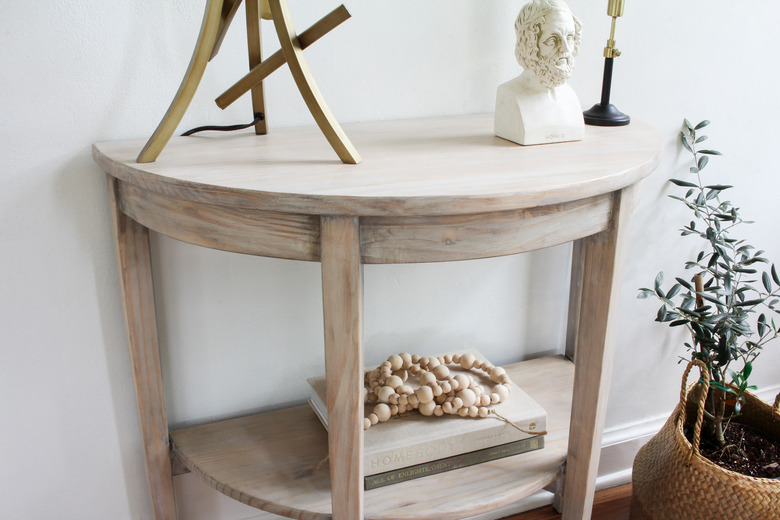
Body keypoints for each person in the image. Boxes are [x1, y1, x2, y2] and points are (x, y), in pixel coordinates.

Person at [494, 0, 584, 145]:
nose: (565, 49)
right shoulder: (509, 94)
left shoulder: (571, 98)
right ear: (529, 44)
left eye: (569, 37)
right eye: (552, 40)